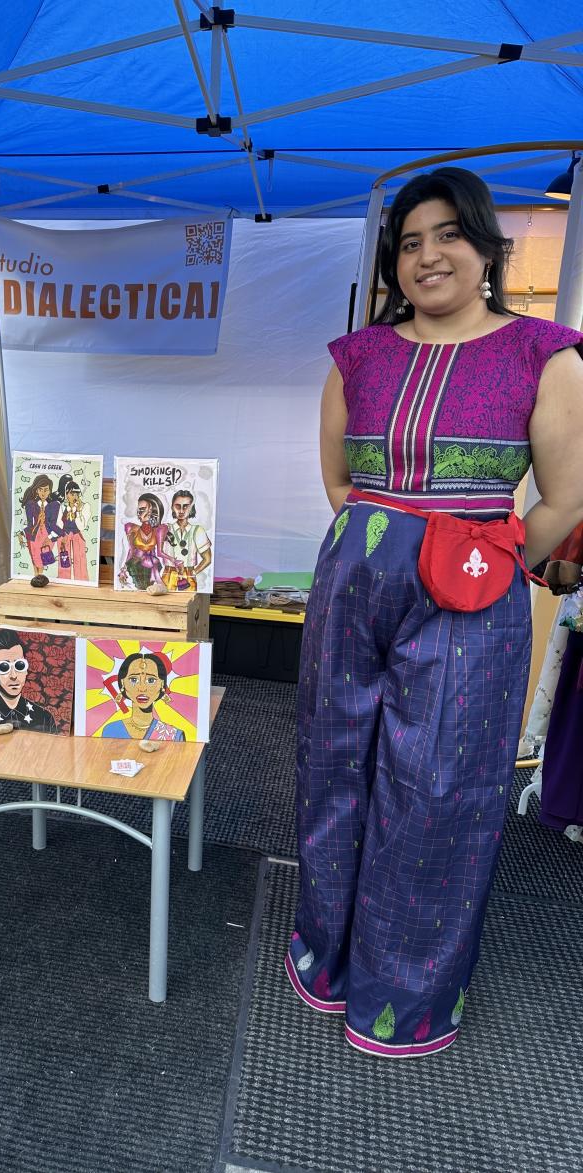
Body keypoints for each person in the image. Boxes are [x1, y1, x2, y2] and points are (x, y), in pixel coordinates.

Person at [286, 166, 583, 1058]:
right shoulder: (358, 356)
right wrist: (385, 544)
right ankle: (328, 958)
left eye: (449, 233)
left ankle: (403, 999)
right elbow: (342, 483)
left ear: (487, 246)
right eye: (410, 242)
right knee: (333, 764)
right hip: (354, 583)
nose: (429, 255)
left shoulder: (548, 355)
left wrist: (492, 564)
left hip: (471, 593)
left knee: (442, 790)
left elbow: (565, 500)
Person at [100, 651, 185, 741]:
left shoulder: (174, 735)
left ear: (162, 684)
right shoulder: (111, 731)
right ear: (122, 682)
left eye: (151, 680)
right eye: (133, 679)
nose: (142, 688)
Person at [118, 493, 176, 591]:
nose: (143, 513)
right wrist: (123, 569)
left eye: (149, 510)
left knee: (152, 587)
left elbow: (159, 552)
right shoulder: (131, 528)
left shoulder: (159, 530)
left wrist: (173, 560)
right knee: (140, 588)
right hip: (135, 565)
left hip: (153, 565)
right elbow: (131, 551)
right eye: (140, 510)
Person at [163, 489, 212, 591]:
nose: (181, 511)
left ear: (191, 508)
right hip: (168, 575)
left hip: (188, 576)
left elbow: (207, 559)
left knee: (187, 604)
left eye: (185, 506)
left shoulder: (197, 530)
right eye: (177, 506)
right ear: (172, 507)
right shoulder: (165, 528)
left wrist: (193, 573)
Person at [17, 474, 61, 574]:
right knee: (35, 557)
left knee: (42, 559)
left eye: (46, 490)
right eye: (40, 489)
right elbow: (27, 522)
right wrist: (21, 533)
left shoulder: (54, 506)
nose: (43, 492)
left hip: (48, 534)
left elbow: (57, 524)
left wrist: (50, 536)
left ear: (50, 491)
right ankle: (37, 576)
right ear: (36, 490)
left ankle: (40, 576)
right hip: (34, 534)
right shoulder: (31, 505)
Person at [55, 473, 90, 581]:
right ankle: (63, 581)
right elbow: (59, 524)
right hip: (64, 536)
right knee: (64, 560)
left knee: (80, 560)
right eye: (71, 494)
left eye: (76, 494)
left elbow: (81, 526)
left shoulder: (85, 506)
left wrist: (78, 511)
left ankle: (82, 582)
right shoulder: (61, 507)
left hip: (76, 535)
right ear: (66, 494)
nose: (74, 497)